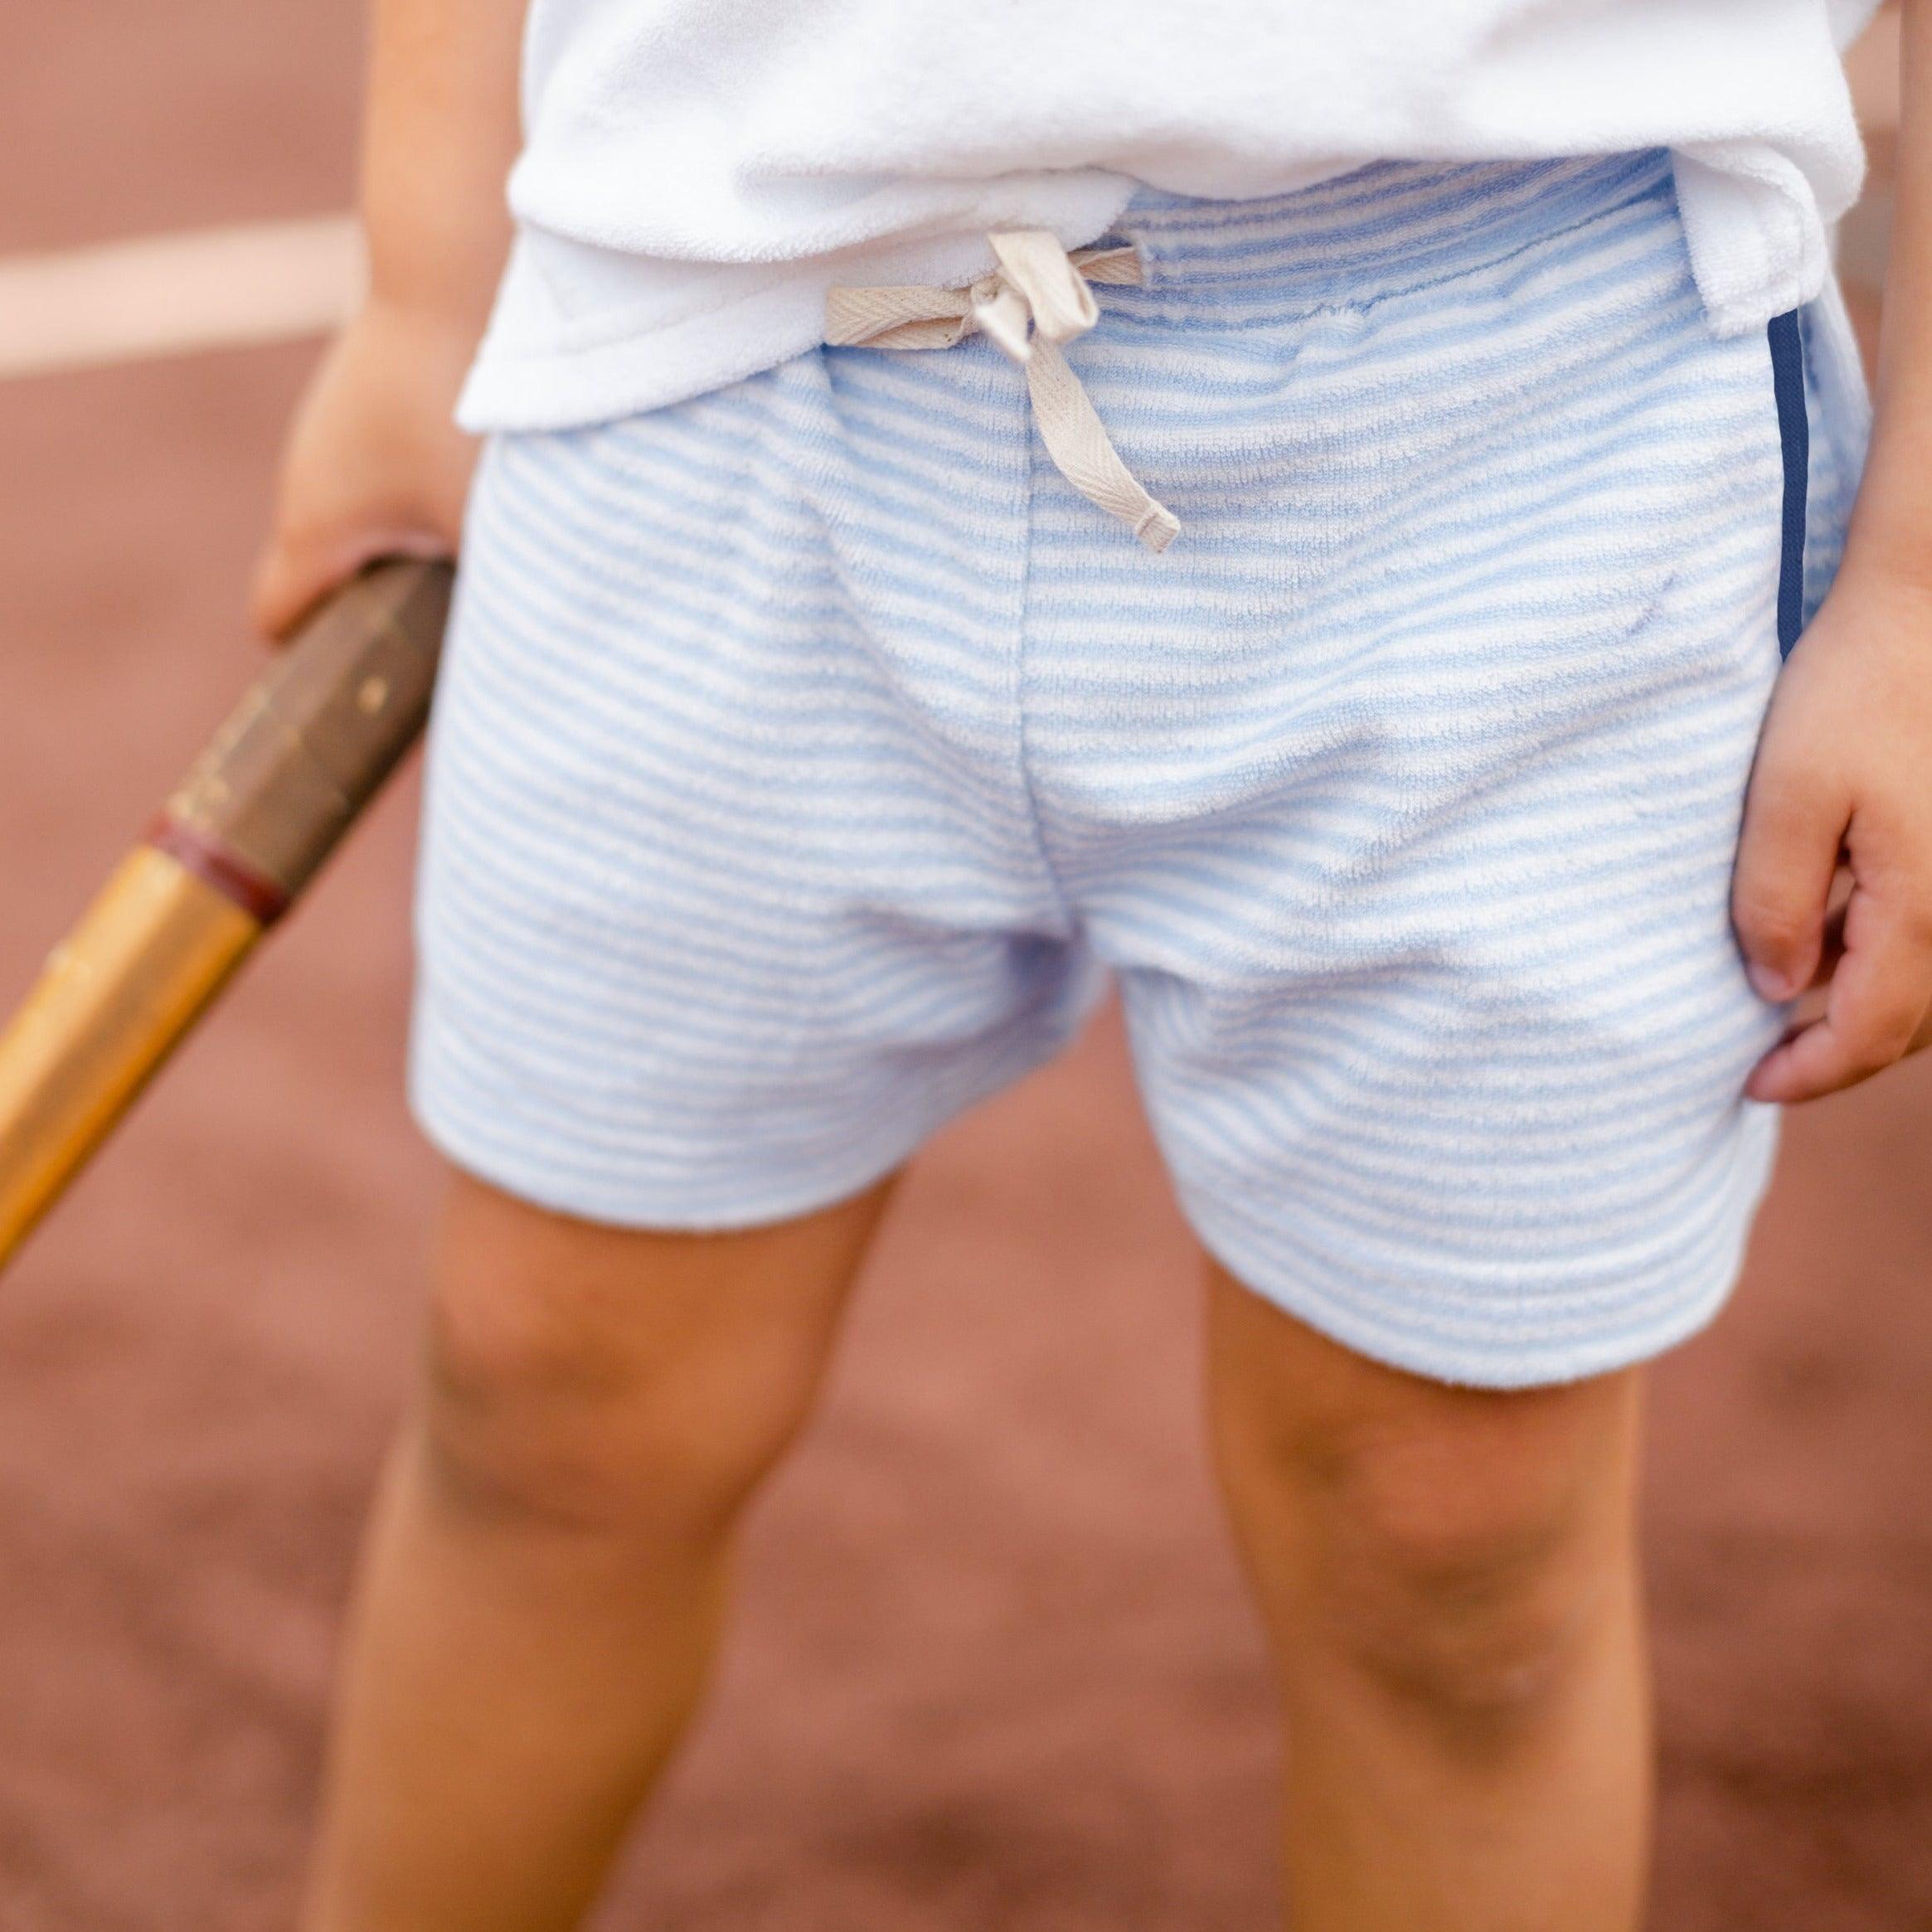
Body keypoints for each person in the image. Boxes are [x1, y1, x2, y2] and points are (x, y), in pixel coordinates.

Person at [253, 2, 1932, 1926]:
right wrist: (417, 291)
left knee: (1452, 1547)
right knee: (548, 1385)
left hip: (1539, 412)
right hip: (715, 326)